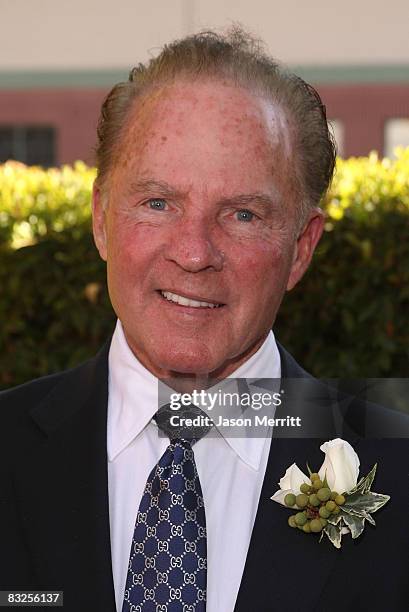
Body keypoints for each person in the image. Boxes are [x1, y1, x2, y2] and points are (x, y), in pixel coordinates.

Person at [0, 27, 408, 612]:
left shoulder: (396, 471)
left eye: (242, 214)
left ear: (300, 248)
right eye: (158, 203)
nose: (193, 253)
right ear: (100, 219)